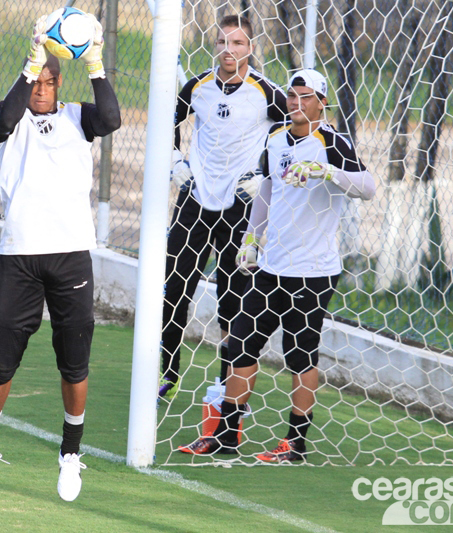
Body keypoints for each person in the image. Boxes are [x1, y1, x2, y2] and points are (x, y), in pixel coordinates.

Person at [179, 69, 376, 460]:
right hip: (271, 267)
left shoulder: (332, 142)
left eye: (305, 96)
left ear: (322, 102)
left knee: (299, 356)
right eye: (292, 95)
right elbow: (267, 189)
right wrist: (251, 239)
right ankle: (226, 436)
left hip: (314, 271)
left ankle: (295, 444)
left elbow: (368, 187)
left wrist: (328, 172)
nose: (296, 102)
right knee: (239, 347)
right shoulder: (275, 138)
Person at [0, 14, 120, 501]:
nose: (41, 86)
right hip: (20, 255)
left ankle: (71, 453)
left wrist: (96, 66)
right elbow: (6, 119)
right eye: (36, 78)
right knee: (2, 359)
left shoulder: (80, 117)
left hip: (71, 256)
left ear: (61, 83)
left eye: (49, 79)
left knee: (74, 363)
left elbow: (113, 118)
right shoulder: (6, 118)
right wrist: (31, 64)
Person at [159, 14, 287, 401]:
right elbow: (169, 122)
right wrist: (175, 163)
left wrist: (263, 175)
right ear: (214, 46)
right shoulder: (197, 87)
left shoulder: (267, 92)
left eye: (237, 43)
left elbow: (288, 136)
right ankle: (167, 373)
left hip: (240, 206)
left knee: (234, 296)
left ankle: (222, 381)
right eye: (222, 42)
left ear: (250, 48)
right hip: (195, 200)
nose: (228, 50)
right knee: (174, 286)